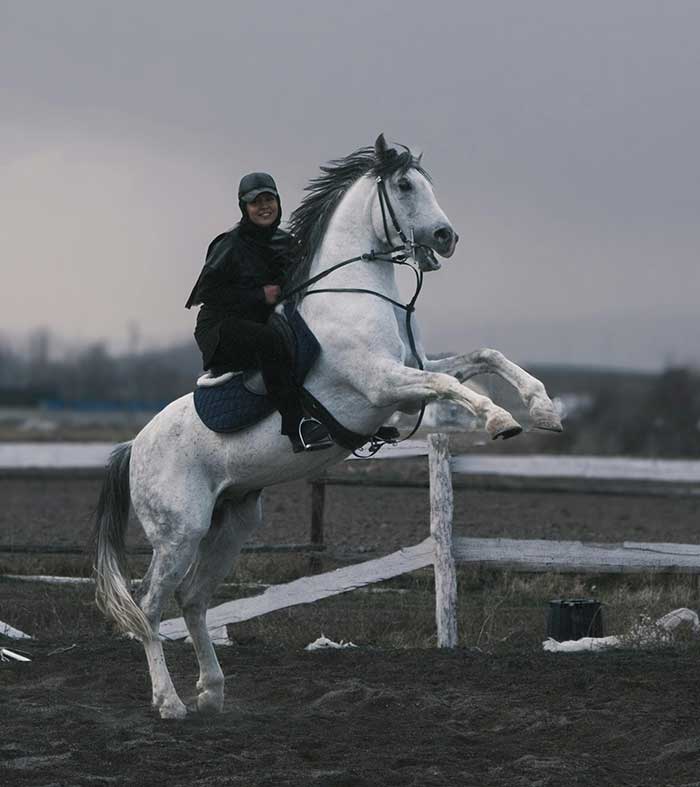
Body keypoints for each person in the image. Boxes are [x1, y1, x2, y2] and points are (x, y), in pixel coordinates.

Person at [186, 172, 332, 453]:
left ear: (278, 202)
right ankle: (296, 428)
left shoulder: (287, 243)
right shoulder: (228, 245)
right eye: (256, 202)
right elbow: (207, 296)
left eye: (269, 200)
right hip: (220, 329)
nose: (264, 207)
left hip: (260, 324)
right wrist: (258, 295)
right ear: (244, 208)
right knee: (270, 340)